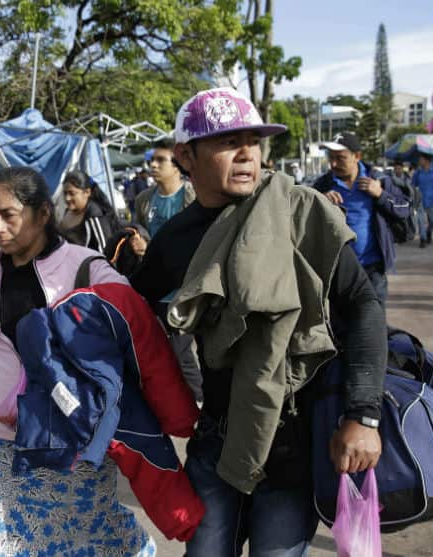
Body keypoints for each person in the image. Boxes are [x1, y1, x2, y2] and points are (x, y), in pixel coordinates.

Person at [131, 87, 386, 557]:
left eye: (254, 140)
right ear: (186, 155)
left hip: (294, 438)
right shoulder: (174, 241)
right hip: (217, 438)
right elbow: (138, 320)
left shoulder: (302, 213)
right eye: (229, 141)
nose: (247, 152)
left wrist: (363, 414)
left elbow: (362, 305)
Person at [0, 167, 155, 555]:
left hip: (74, 436)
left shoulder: (84, 266)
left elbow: (131, 318)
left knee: (89, 535)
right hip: (6, 439)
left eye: (9, 216)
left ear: (41, 214)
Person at [129, 138, 201, 401]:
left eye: (161, 160)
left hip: (186, 290)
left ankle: (201, 404)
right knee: (161, 353)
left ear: (177, 165)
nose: (154, 165)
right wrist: (138, 244)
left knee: (183, 355)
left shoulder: (194, 196)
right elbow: (141, 233)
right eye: (152, 160)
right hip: (155, 290)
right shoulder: (143, 200)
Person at [313, 132, 411, 304]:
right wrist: (321, 200)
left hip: (372, 270)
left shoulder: (379, 180)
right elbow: (304, 217)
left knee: (373, 324)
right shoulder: (324, 184)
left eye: (340, 158)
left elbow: (405, 208)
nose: (334, 163)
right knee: (341, 326)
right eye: (331, 158)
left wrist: (380, 194)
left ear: (357, 156)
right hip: (337, 270)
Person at [59, 169, 120, 254]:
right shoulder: (67, 212)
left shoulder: (95, 215)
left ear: (87, 192)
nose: (67, 198)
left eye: (72, 193)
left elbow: (106, 253)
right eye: (65, 193)